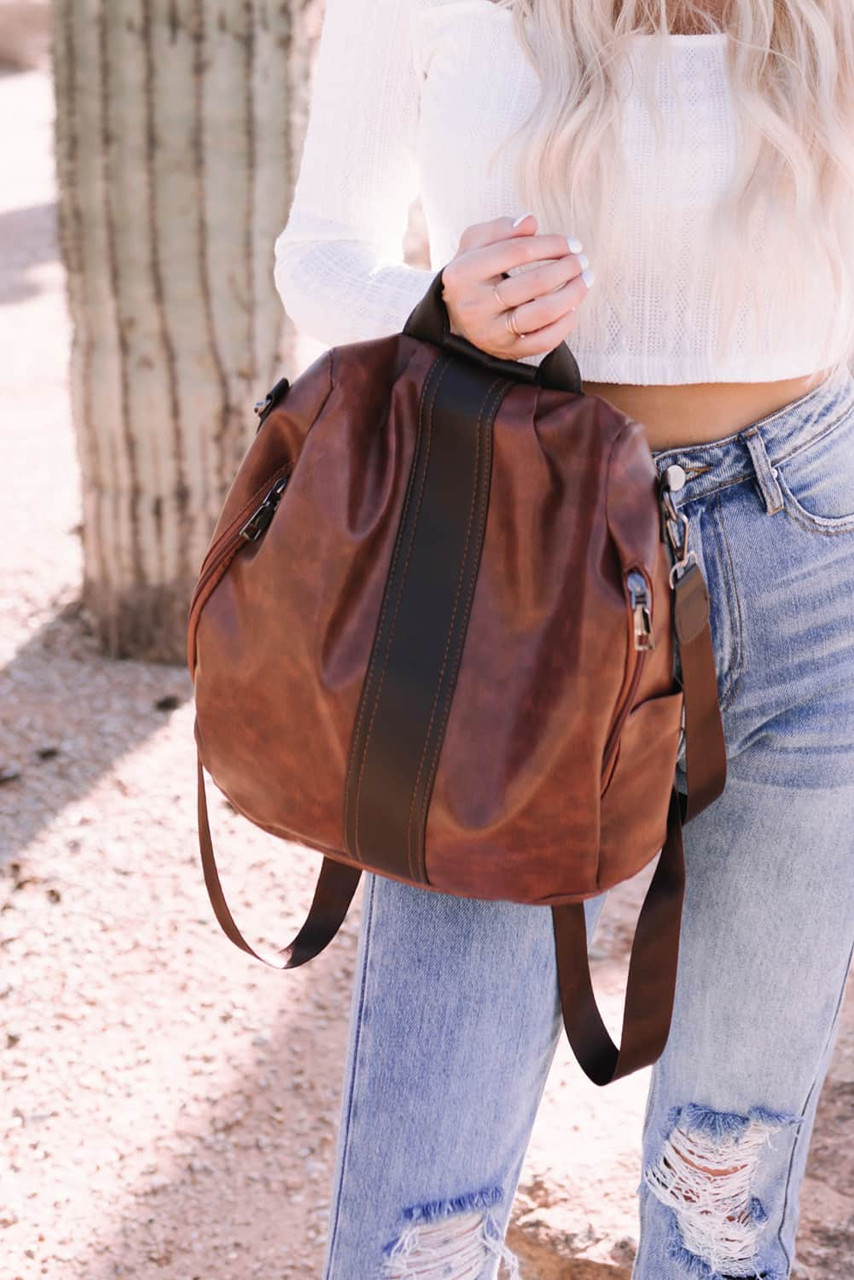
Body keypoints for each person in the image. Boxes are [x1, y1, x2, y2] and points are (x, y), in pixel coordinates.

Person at [272, 1, 854, 1275]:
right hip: (518, 563)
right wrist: (438, 307)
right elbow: (319, 254)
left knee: (730, 1169)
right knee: (423, 1209)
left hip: (813, 543)